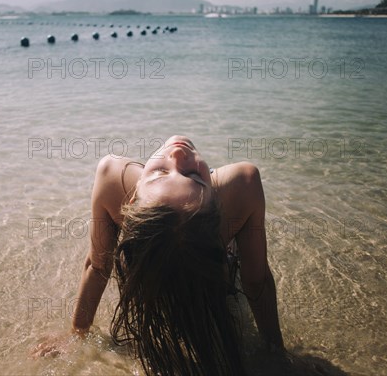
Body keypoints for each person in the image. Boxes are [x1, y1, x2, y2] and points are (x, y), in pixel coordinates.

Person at [69, 135, 284, 375]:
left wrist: (277, 354)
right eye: (162, 173)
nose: (177, 154)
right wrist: (77, 336)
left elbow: (98, 268)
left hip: (203, 260)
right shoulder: (244, 184)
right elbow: (256, 281)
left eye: (161, 173)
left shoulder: (112, 173)